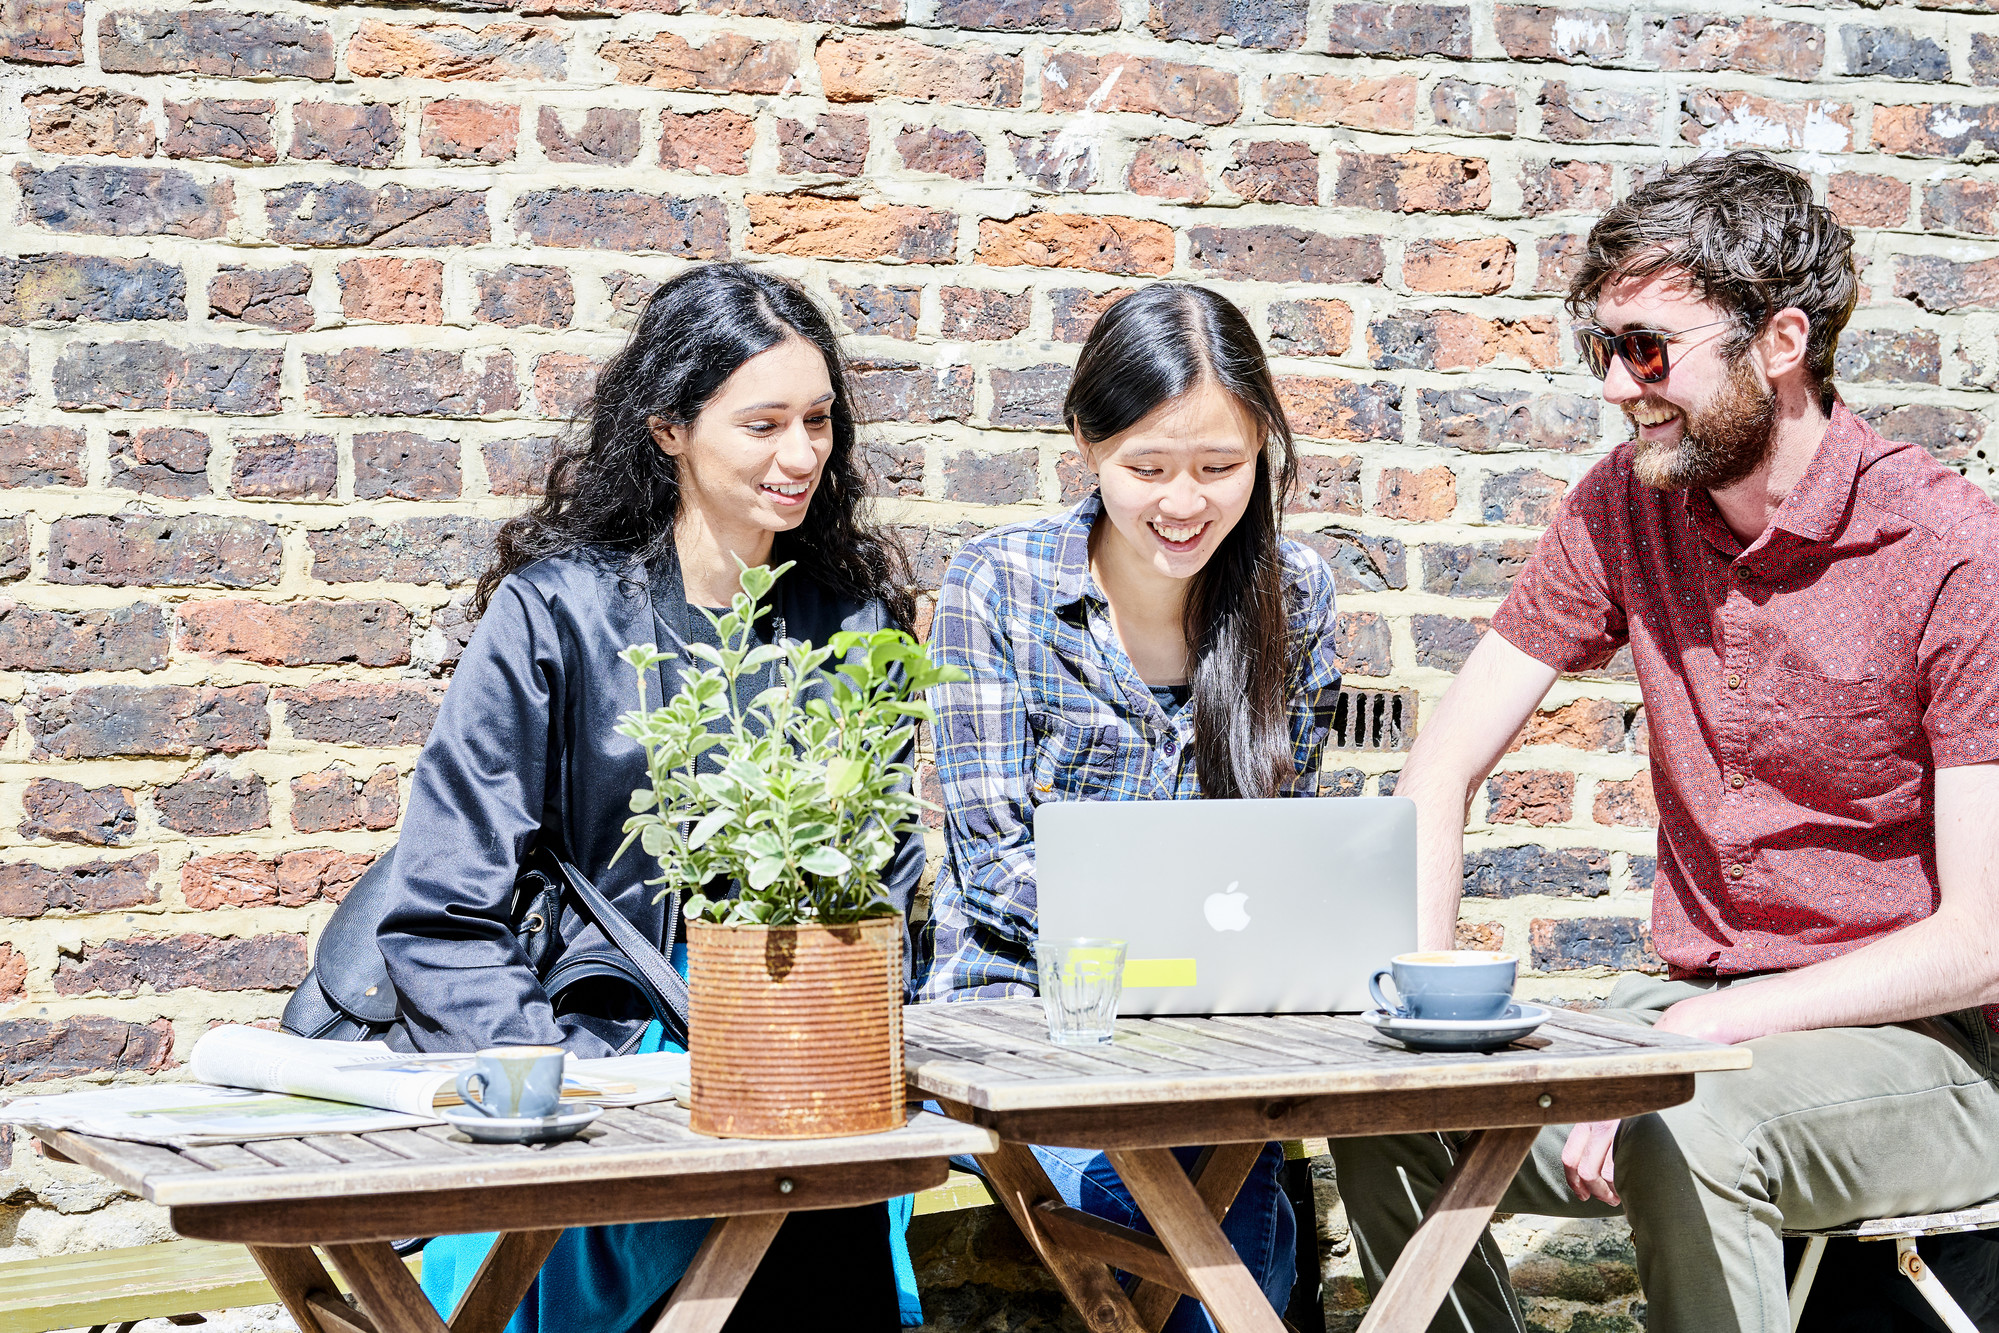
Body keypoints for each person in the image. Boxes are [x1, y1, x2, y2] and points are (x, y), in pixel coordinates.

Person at [1331, 150, 1999, 1333]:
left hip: (1932, 1055)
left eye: (1644, 349)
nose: (1612, 387)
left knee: (1683, 1119)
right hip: (1699, 1008)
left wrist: (1706, 1030)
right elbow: (1439, 770)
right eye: (1601, 349)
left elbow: (1982, 942)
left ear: (1778, 343)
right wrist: (1422, 1026)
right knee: (1381, 1108)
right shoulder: (1622, 504)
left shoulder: (1949, 551)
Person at [372, 262, 921, 1333]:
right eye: (762, 423)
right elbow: (440, 912)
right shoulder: (555, 617)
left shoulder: (853, 628)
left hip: (792, 1082)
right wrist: (565, 1091)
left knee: (828, 1193)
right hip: (593, 1073)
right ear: (669, 426)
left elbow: (885, 896)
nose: (801, 454)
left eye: (818, 420)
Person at [916, 282, 1345, 1329]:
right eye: (1146, 469)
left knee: (1214, 1181)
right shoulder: (1000, 586)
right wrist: (1165, 954)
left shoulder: (1297, 593)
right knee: (1186, 1201)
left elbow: (1287, 858)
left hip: (1218, 1036)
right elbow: (992, 866)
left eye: (1220, 467)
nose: (1184, 503)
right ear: (1085, 444)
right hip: (1024, 1017)